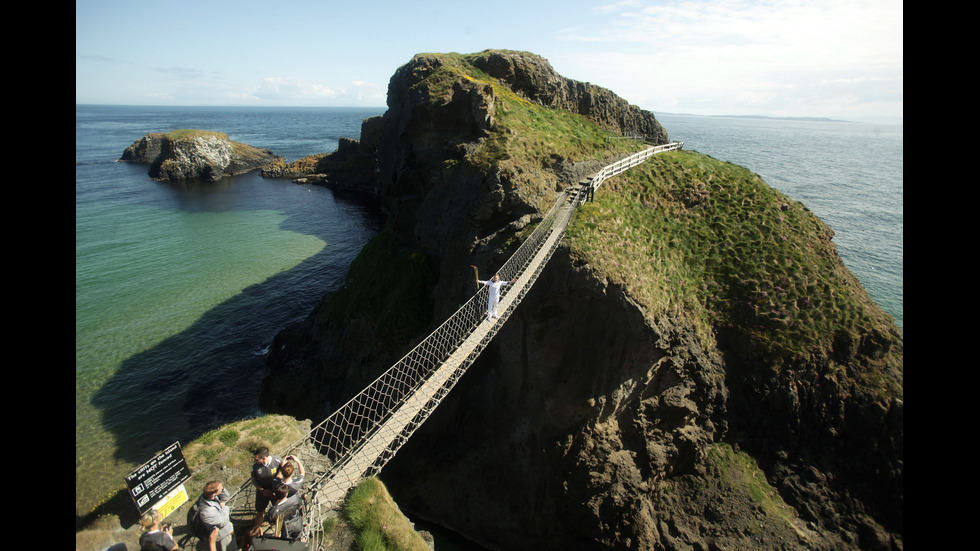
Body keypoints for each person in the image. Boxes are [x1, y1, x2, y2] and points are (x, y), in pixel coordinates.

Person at [196, 480, 237, 551]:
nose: (222, 488)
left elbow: (226, 498)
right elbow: (223, 521)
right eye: (220, 489)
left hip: (227, 529)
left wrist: (222, 489)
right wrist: (224, 507)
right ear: (213, 494)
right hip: (223, 536)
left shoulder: (209, 496)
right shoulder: (207, 512)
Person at [251, 447, 283, 513]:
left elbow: (284, 471)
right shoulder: (255, 467)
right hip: (263, 492)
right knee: (260, 511)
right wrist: (262, 490)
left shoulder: (278, 461)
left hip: (276, 490)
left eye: (256, 459)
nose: (255, 461)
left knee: (279, 509)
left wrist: (279, 476)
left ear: (264, 458)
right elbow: (253, 480)